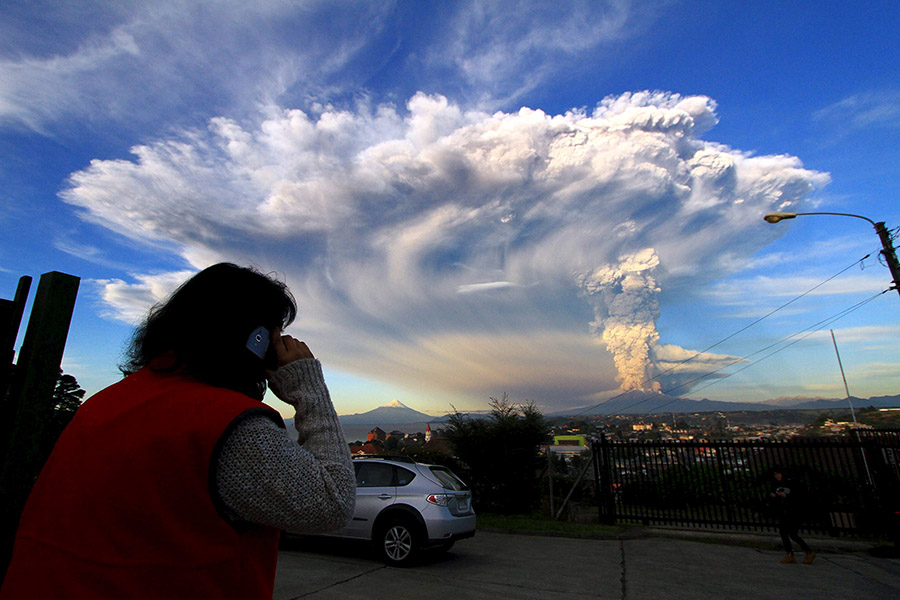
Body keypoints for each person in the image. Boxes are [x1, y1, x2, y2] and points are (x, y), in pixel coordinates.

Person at [0, 263, 355, 598]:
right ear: (255, 341)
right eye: (274, 336)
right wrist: (309, 388)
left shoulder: (102, 405)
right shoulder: (229, 425)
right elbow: (332, 503)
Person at [770, 467, 815, 564]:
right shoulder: (777, 484)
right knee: (786, 533)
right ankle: (792, 553)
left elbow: (799, 497)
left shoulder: (792, 484)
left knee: (792, 534)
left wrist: (787, 497)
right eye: (775, 474)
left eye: (778, 474)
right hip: (785, 512)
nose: (777, 476)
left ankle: (805, 552)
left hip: (793, 512)